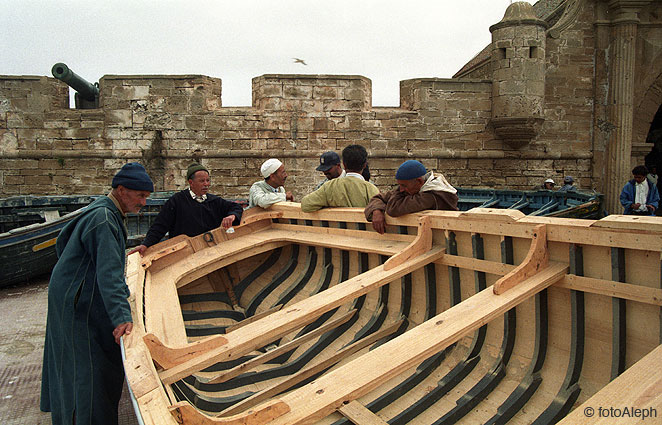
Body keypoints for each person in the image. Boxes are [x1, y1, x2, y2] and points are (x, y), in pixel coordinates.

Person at [41, 162, 154, 425]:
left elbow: (65, 248)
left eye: (146, 196)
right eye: (140, 196)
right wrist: (122, 317)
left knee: (75, 359)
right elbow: (108, 274)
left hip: (70, 292)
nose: (144, 203)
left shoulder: (104, 211)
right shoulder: (103, 219)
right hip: (77, 302)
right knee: (87, 365)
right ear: (122, 190)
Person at [130, 163, 243, 255]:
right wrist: (145, 245)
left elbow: (235, 207)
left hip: (210, 251)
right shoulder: (177, 201)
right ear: (191, 182)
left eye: (208, 180)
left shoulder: (214, 201)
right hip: (185, 252)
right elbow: (160, 225)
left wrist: (232, 216)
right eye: (202, 181)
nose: (206, 184)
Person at [364, 160, 458, 234]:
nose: (401, 190)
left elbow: (394, 208)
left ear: (419, 182)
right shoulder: (413, 189)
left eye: (404, 185)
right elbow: (377, 198)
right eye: (399, 186)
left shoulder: (431, 196)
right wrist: (376, 211)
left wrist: (397, 192)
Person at [301, 144, 379, 212]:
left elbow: (305, 205)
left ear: (343, 165)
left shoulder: (329, 186)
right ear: (364, 165)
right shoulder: (370, 189)